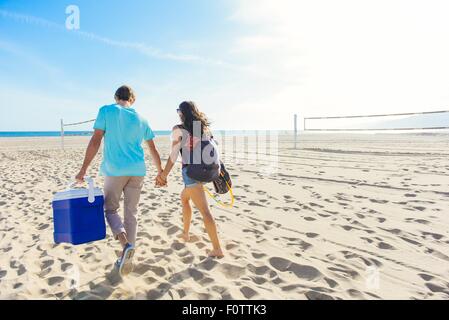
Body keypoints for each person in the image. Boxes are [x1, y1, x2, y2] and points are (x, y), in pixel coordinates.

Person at [75, 85, 163, 275]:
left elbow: (96, 140)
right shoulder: (142, 118)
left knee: (109, 209)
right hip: (138, 171)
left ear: (116, 97)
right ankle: (128, 255)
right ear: (133, 99)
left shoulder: (106, 110)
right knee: (131, 213)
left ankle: (125, 246)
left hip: (115, 170)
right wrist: (160, 172)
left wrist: (83, 169)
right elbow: (153, 149)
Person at [156, 101, 224, 258]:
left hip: (192, 173)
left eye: (178, 111)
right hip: (207, 171)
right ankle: (185, 234)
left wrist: (164, 175)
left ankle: (217, 249)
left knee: (205, 211)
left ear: (182, 113)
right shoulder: (204, 129)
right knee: (184, 198)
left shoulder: (179, 129)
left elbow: (174, 155)